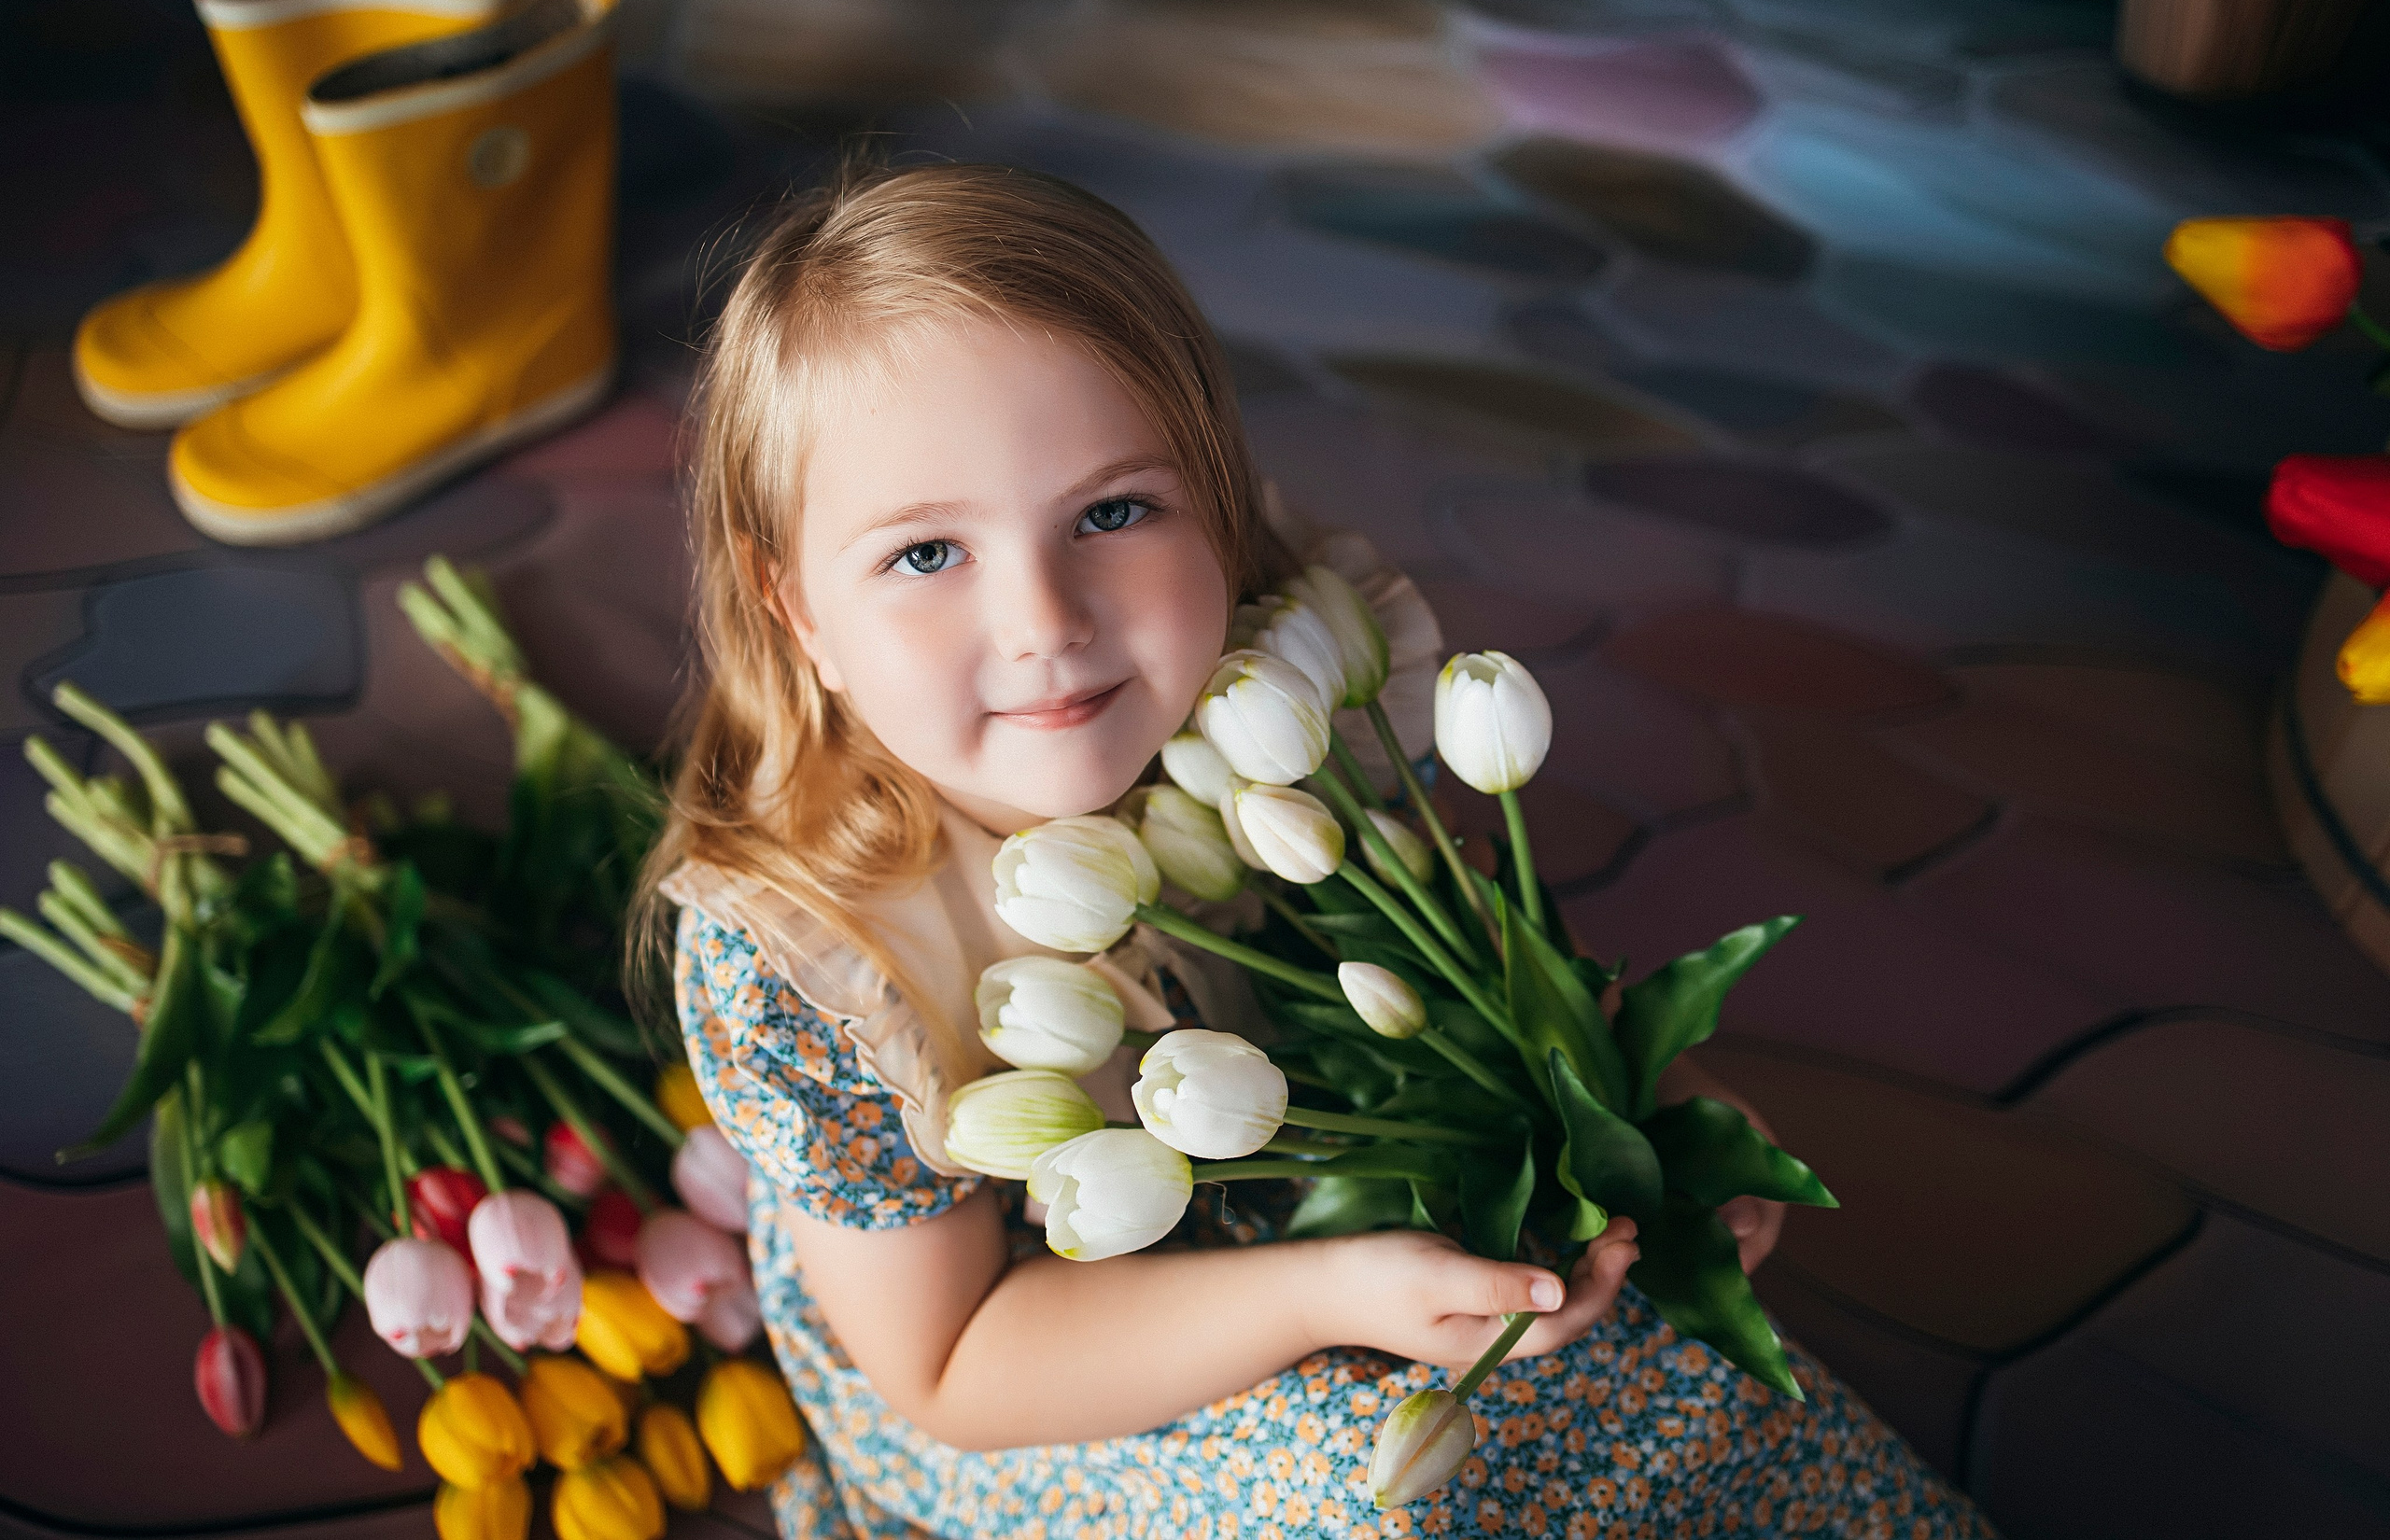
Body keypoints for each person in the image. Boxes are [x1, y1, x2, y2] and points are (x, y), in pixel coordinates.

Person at [639, 160, 1997, 1540]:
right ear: (795, 606)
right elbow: (948, 1368)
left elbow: (1475, 957)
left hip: (1323, 1189)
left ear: (1218, 506)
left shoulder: (1266, 710)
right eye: (927, 555)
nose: (1044, 619)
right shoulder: (808, 963)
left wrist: (1655, 1106)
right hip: (1037, 1361)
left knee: (1650, 1346)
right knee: (1392, 1473)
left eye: (1113, 512)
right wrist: (1328, 1298)